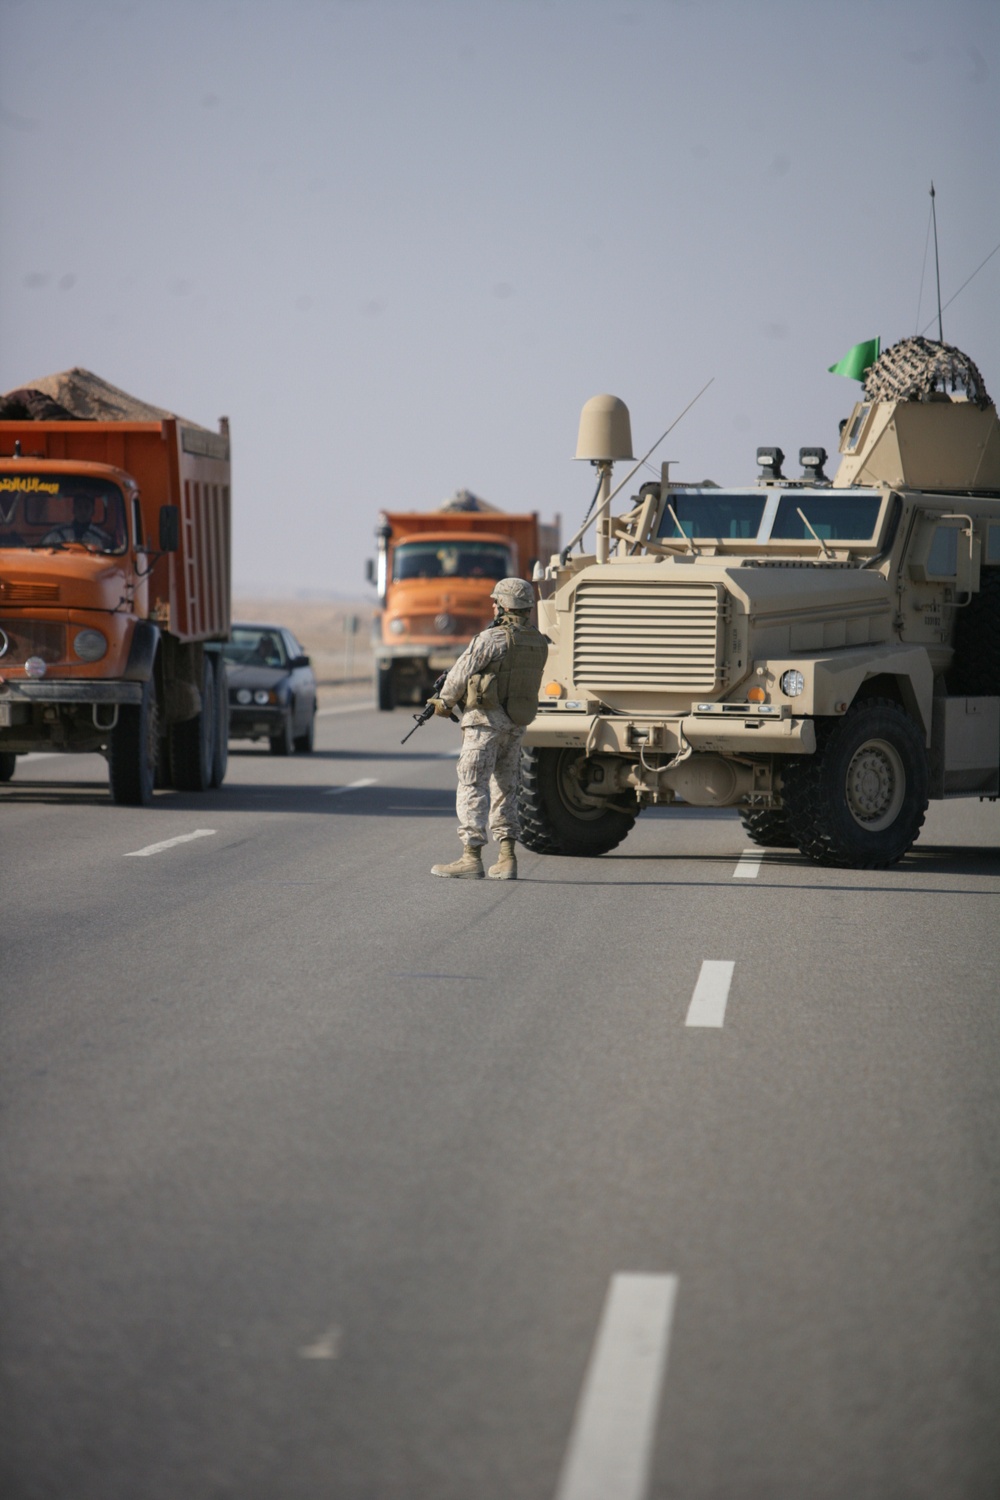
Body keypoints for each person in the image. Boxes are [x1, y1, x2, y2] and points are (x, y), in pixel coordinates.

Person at [428, 576, 548, 881]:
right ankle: (507, 858)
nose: (493, 605)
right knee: (506, 790)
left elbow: (460, 673)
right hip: (516, 726)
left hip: (485, 725)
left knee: (472, 784)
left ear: (506, 605)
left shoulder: (491, 639)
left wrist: (442, 703)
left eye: (497, 601)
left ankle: (471, 857)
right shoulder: (538, 641)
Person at [43, 493, 112, 548]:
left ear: (93, 511)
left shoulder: (101, 537)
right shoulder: (56, 533)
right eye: (79, 507)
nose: (83, 511)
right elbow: (44, 548)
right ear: (73, 510)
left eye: (87, 507)